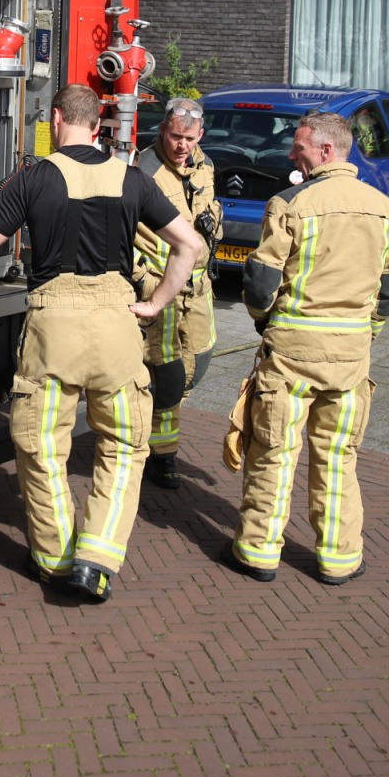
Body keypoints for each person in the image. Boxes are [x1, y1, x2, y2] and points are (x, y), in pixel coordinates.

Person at [0, 83, 203, 602]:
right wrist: (155, 304)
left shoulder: (34, 177)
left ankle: (55, 560)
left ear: (57, 120)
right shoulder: (132, 178)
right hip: (117, 328)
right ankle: (97, 561)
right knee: (125, 446)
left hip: (53, 330)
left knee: (41, 446)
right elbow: (190, 244)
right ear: (98, 124)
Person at [229, 111, 389, 587]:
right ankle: (339, 559)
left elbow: (260, 283)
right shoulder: (386, 208)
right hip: (350, 360)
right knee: (338, 458)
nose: (291, 155)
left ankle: (258, 552)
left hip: (291, 357)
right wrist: (366, 332)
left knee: (273, 452)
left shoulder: (289, 203)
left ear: (326, 150)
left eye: (299, 146)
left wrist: (265, 322)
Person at [134, 97, 221, 490]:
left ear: (200, 135)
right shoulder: (142, 170)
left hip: (199, 290)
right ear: (162, 130)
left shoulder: (206, 165)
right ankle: (161, 455)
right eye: (175, 137)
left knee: (197, 363)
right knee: (167, 375)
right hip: (161, 288)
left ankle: (155, 432)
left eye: (189, 138)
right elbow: (122, 232)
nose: (182, 145)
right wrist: (141, 280)